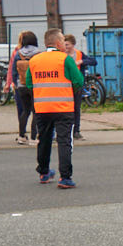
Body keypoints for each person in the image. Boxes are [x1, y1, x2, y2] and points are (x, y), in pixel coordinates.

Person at [21, 28, 83, 188]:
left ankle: (43, 172)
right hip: (63, 107)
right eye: (62, 40)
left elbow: (29, 83)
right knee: (64, 141)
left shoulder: (35, 60)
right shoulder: (65, 59)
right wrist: (70, 91)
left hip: (42, 107)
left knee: (44, 139)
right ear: (57, 43)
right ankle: (65, 177)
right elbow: (78, 80)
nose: (64, 43)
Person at [6, 32, 40, 145]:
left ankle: (21, 136)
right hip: (34, 85)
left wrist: (16, 83)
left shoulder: (18, 53)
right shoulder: (38, 53)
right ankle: (34, 137)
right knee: (36, 111)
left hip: (21, 85)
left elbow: (14, 71)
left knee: (25, 111)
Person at [63, 34, 96, 140]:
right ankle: (65, 131)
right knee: (65, 110)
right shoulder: (61, 55)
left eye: (67, 44)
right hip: (64, 85)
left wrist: (82, 61)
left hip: (77, 85)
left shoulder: (79, 54)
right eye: (64, 44)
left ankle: (76, 131)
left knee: (76, 109)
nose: (65, 47)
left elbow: (93, 61)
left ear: (73, 44)